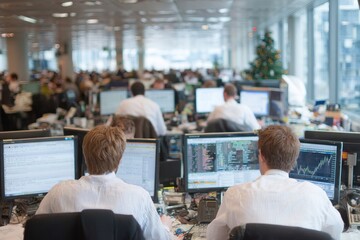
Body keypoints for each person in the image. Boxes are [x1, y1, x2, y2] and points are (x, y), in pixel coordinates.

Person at [36, 125, 174, 240]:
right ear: (119, 160)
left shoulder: (58, 192)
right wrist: (165, 227)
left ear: (85, 156)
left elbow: (35, 230)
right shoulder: (139, 197)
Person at [207, 125, 344, 240]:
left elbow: (215, 236)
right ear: (295, 159)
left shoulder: (235, 194)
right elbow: (335, 232)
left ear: (261, 155)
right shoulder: (316, 195)